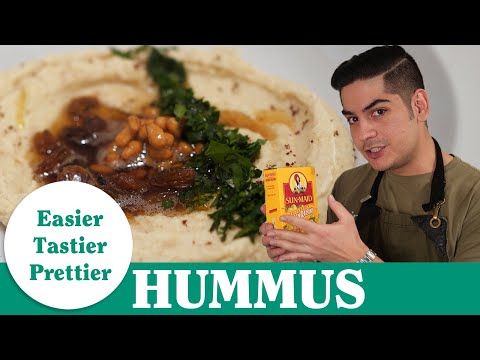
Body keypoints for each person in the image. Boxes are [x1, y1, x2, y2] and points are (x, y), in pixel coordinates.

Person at [260, 45, 480, 262]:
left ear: (419, 106)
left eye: (379, 112)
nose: (363, 134)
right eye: (353, 119)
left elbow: (462, 297)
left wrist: (358, 257)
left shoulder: (473, 196)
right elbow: (336, 289)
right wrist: (303, 256)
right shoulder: (347, 185)